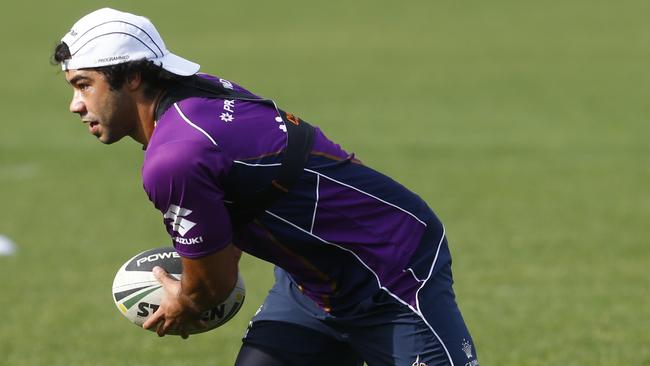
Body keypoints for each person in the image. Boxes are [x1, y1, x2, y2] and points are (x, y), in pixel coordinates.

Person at [53, 8, 479, 366]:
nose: (75, 105)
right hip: (314, 282)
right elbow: (251, 193)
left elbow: (211, 287)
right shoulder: (201, 93)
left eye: (84, 85)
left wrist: (184, 302)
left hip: (392, 269)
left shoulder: (175, 157)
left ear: (131, 78)